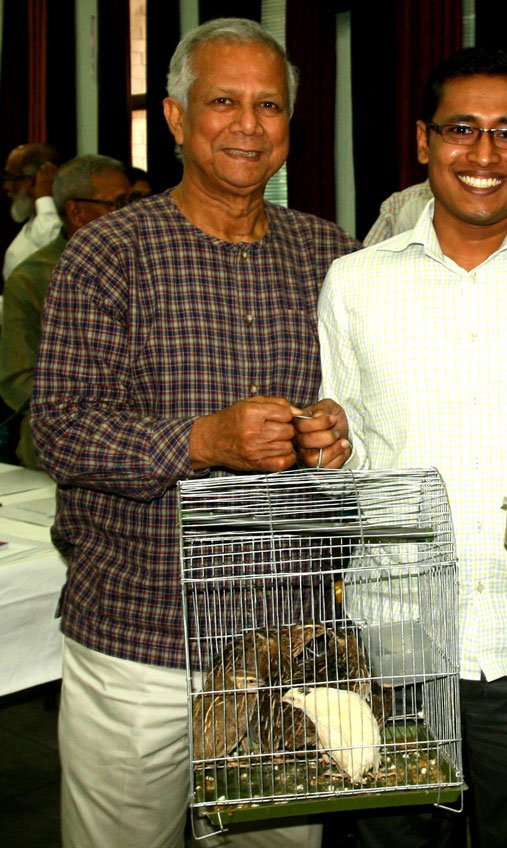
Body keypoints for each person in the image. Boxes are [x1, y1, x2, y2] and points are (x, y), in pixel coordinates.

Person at [300, 47, 507, 848]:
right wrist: (329, 446)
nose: (484, 156)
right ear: (423, 141)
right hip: (393, 645)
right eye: (461, 130)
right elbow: (350, 438)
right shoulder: (354, 282)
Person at [31, 18, 355, 848]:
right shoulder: (108, 254)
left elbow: (372, 400)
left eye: (269, 106)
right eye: (223, 102)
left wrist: (336, 433)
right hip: (141, 636)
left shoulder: (330, 256)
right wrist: (200, 442)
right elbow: (59, 432)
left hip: (288, 635)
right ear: (175, 118)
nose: (248, 125)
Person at [0, 154, 130, 469]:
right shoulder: (33, 277)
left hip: (148, 435)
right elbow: (17, 379)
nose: (130, 214)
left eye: (135, 201)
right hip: (69, 442)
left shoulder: (148, 266)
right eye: (117, 203)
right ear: (75, 211)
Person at [3, 141, 60, 281]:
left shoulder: (60, 223)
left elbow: (54, 248)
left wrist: (44, 196)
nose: (6, 186)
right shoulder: (32, 224)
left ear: (34, 180)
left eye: (12, 178)